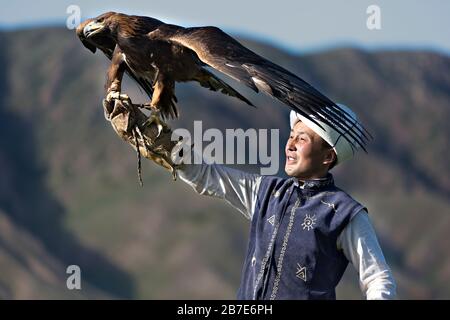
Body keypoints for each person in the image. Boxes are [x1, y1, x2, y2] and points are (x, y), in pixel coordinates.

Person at [106, 99, 397, 300]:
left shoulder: (346, 214)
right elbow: (208, 175)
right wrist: (160, 143)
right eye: (291, 135)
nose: (290, 144)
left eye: (303, 139)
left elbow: (378, 279)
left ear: (328, 156)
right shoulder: (266, 191)